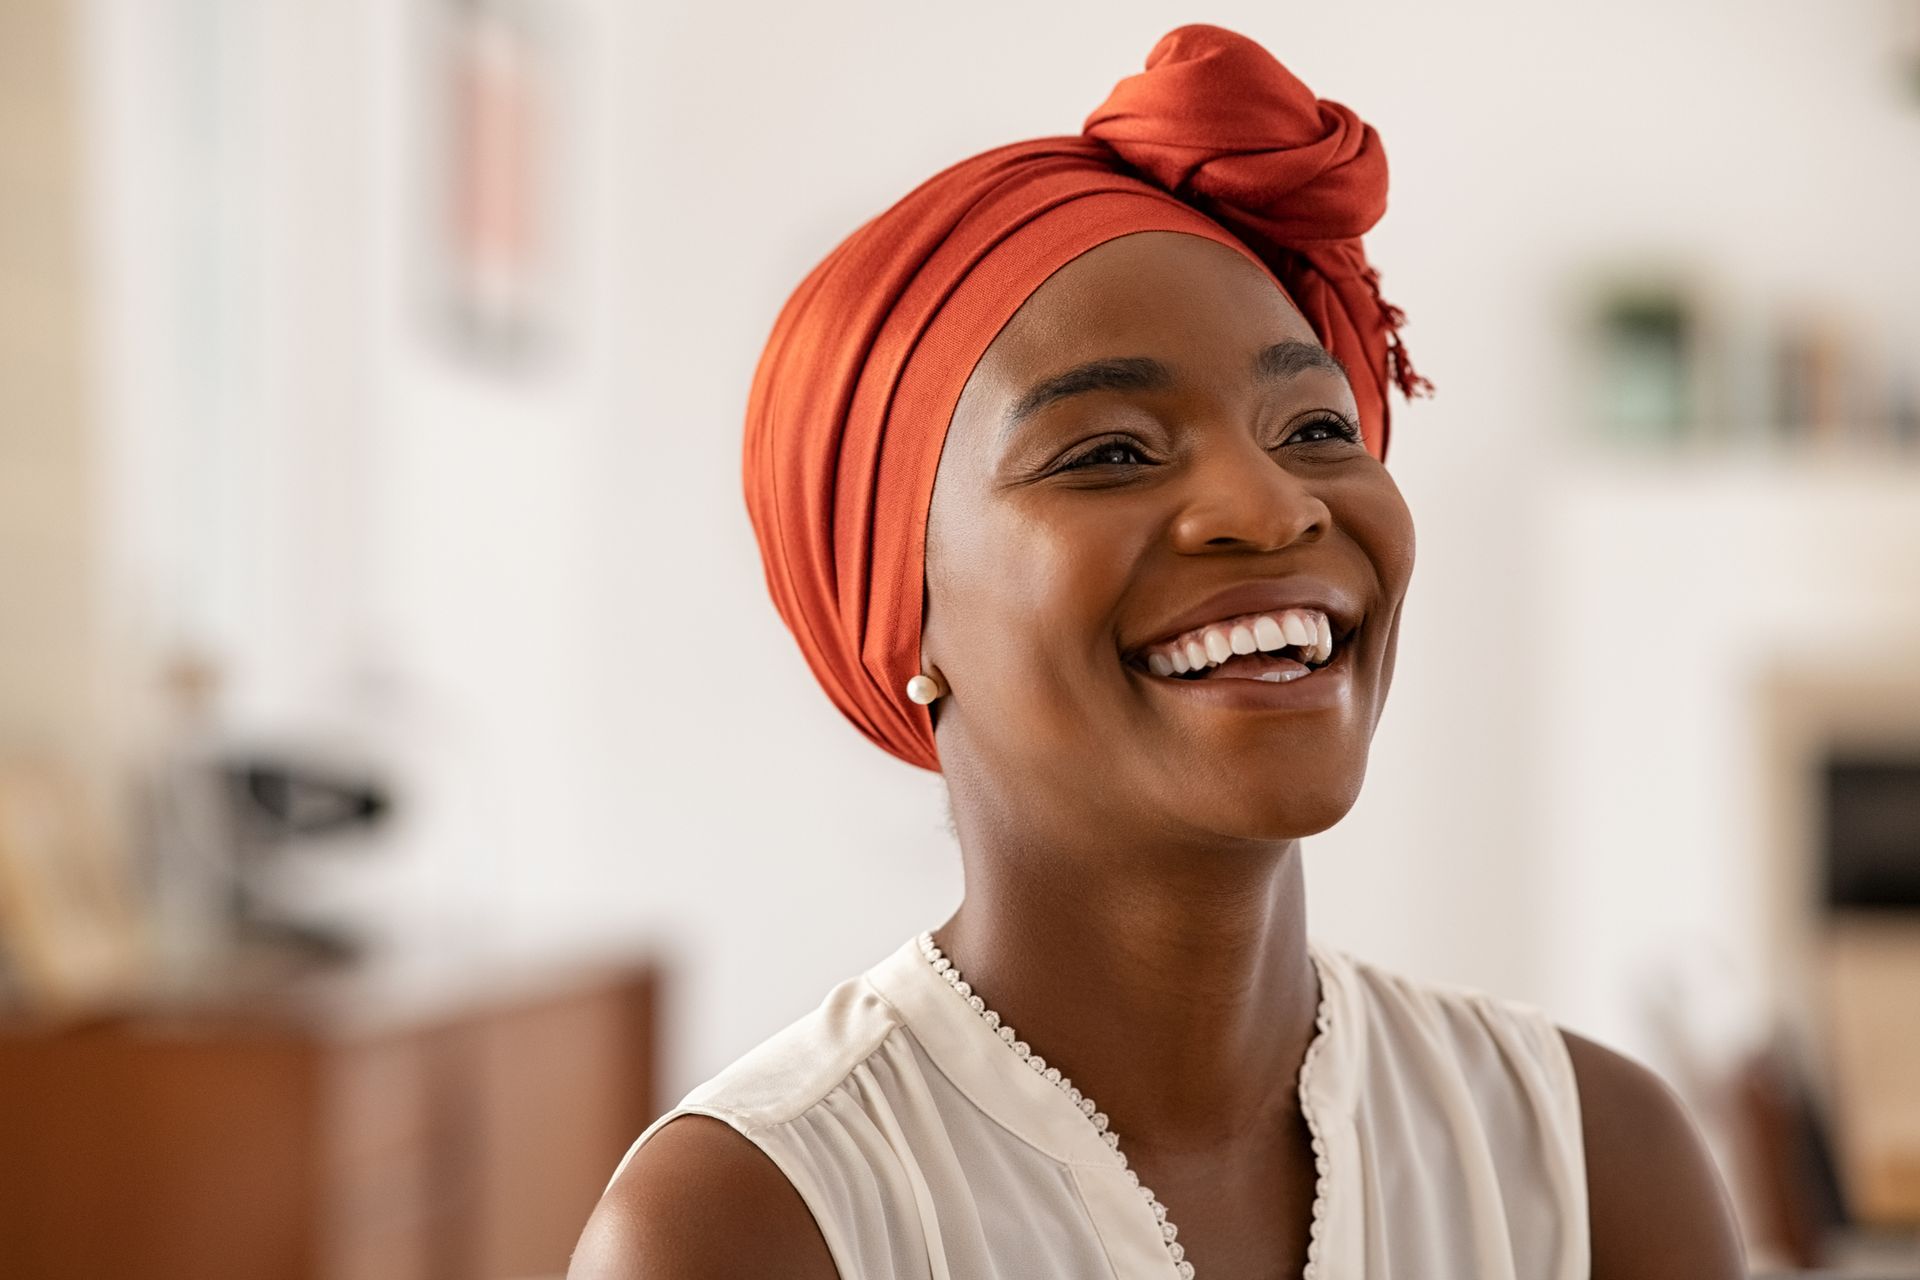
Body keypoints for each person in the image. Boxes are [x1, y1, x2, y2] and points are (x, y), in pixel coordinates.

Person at [571, 24, 1747, 1279]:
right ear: (899, 612)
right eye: (1111, 450)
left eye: (1313, 424)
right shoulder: (754, 1222)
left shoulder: (1588, 1160)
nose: (1273, 505)